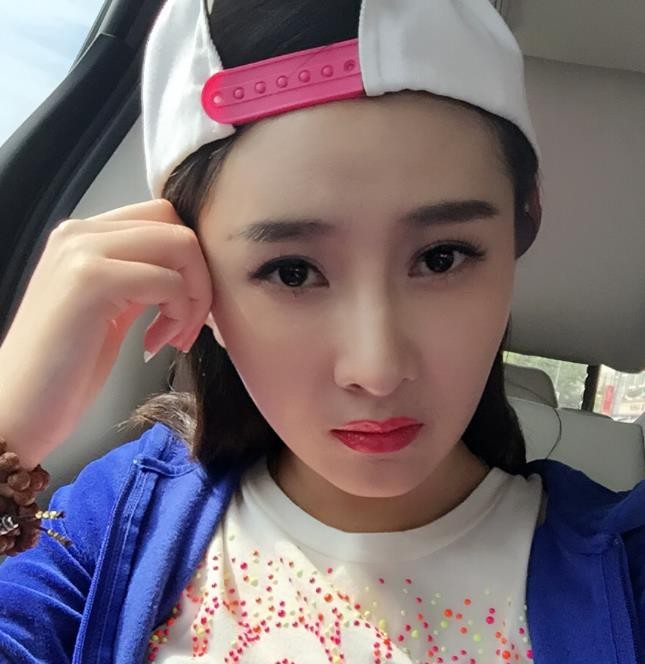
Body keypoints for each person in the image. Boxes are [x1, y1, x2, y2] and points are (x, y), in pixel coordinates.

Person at [0, 0, 643, 662]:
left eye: (440, 258)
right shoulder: (112, 526)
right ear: (195, 275)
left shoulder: (623, 571)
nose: (377, 369)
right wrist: (7, 433)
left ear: (519, 230)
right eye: (293, 271)